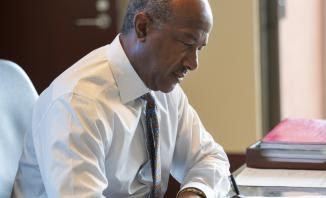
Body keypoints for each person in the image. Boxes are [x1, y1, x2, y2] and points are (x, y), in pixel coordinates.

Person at [13, 0, 234, 197]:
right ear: (142, 27)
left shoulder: (161, 86)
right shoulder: (77, 103)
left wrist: (195, 193)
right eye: (187, 44)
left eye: (199, 49)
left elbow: (210, 158)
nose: (193, 64)